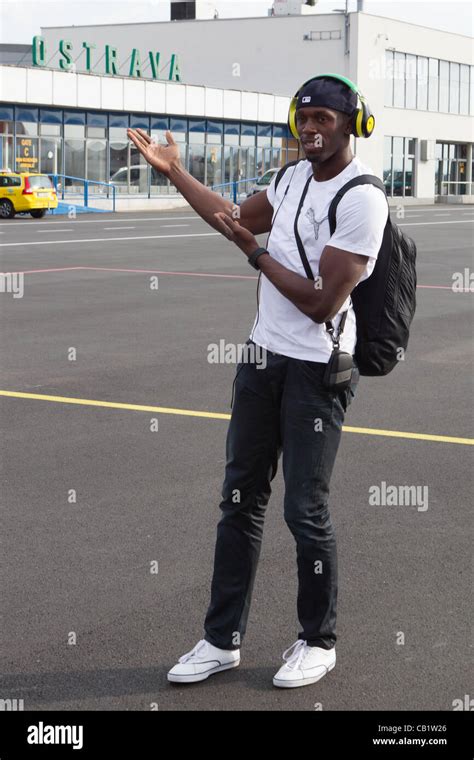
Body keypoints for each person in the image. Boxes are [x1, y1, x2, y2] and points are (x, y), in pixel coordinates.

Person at [127, 75, 388, 689]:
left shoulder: (362, 197)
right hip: (263, 359)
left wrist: (256, 253)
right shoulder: (291, 179)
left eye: (324, 119)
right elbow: (233, 217)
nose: (311, 129)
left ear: (353, 125)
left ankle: (317, 641)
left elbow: (322, 303)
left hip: (318, 369)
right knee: (240, 499)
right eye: (304, 119)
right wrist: (175, 171)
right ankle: (221, 640)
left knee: (305, 508)